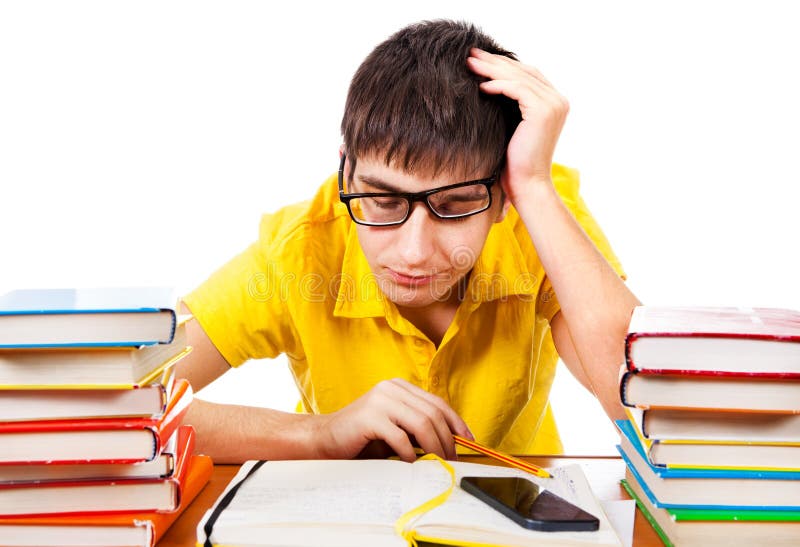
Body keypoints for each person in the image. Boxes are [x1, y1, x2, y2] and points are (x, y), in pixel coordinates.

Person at [175, 19, 640, 464]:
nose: (414, 252)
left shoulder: (540, 215)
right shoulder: (299, 249)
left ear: (504, 196)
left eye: (457, 204)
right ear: (346, 172)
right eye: (381, 200)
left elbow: (643, 409)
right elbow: (126, 407)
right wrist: (320, 435)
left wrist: (534, 186)